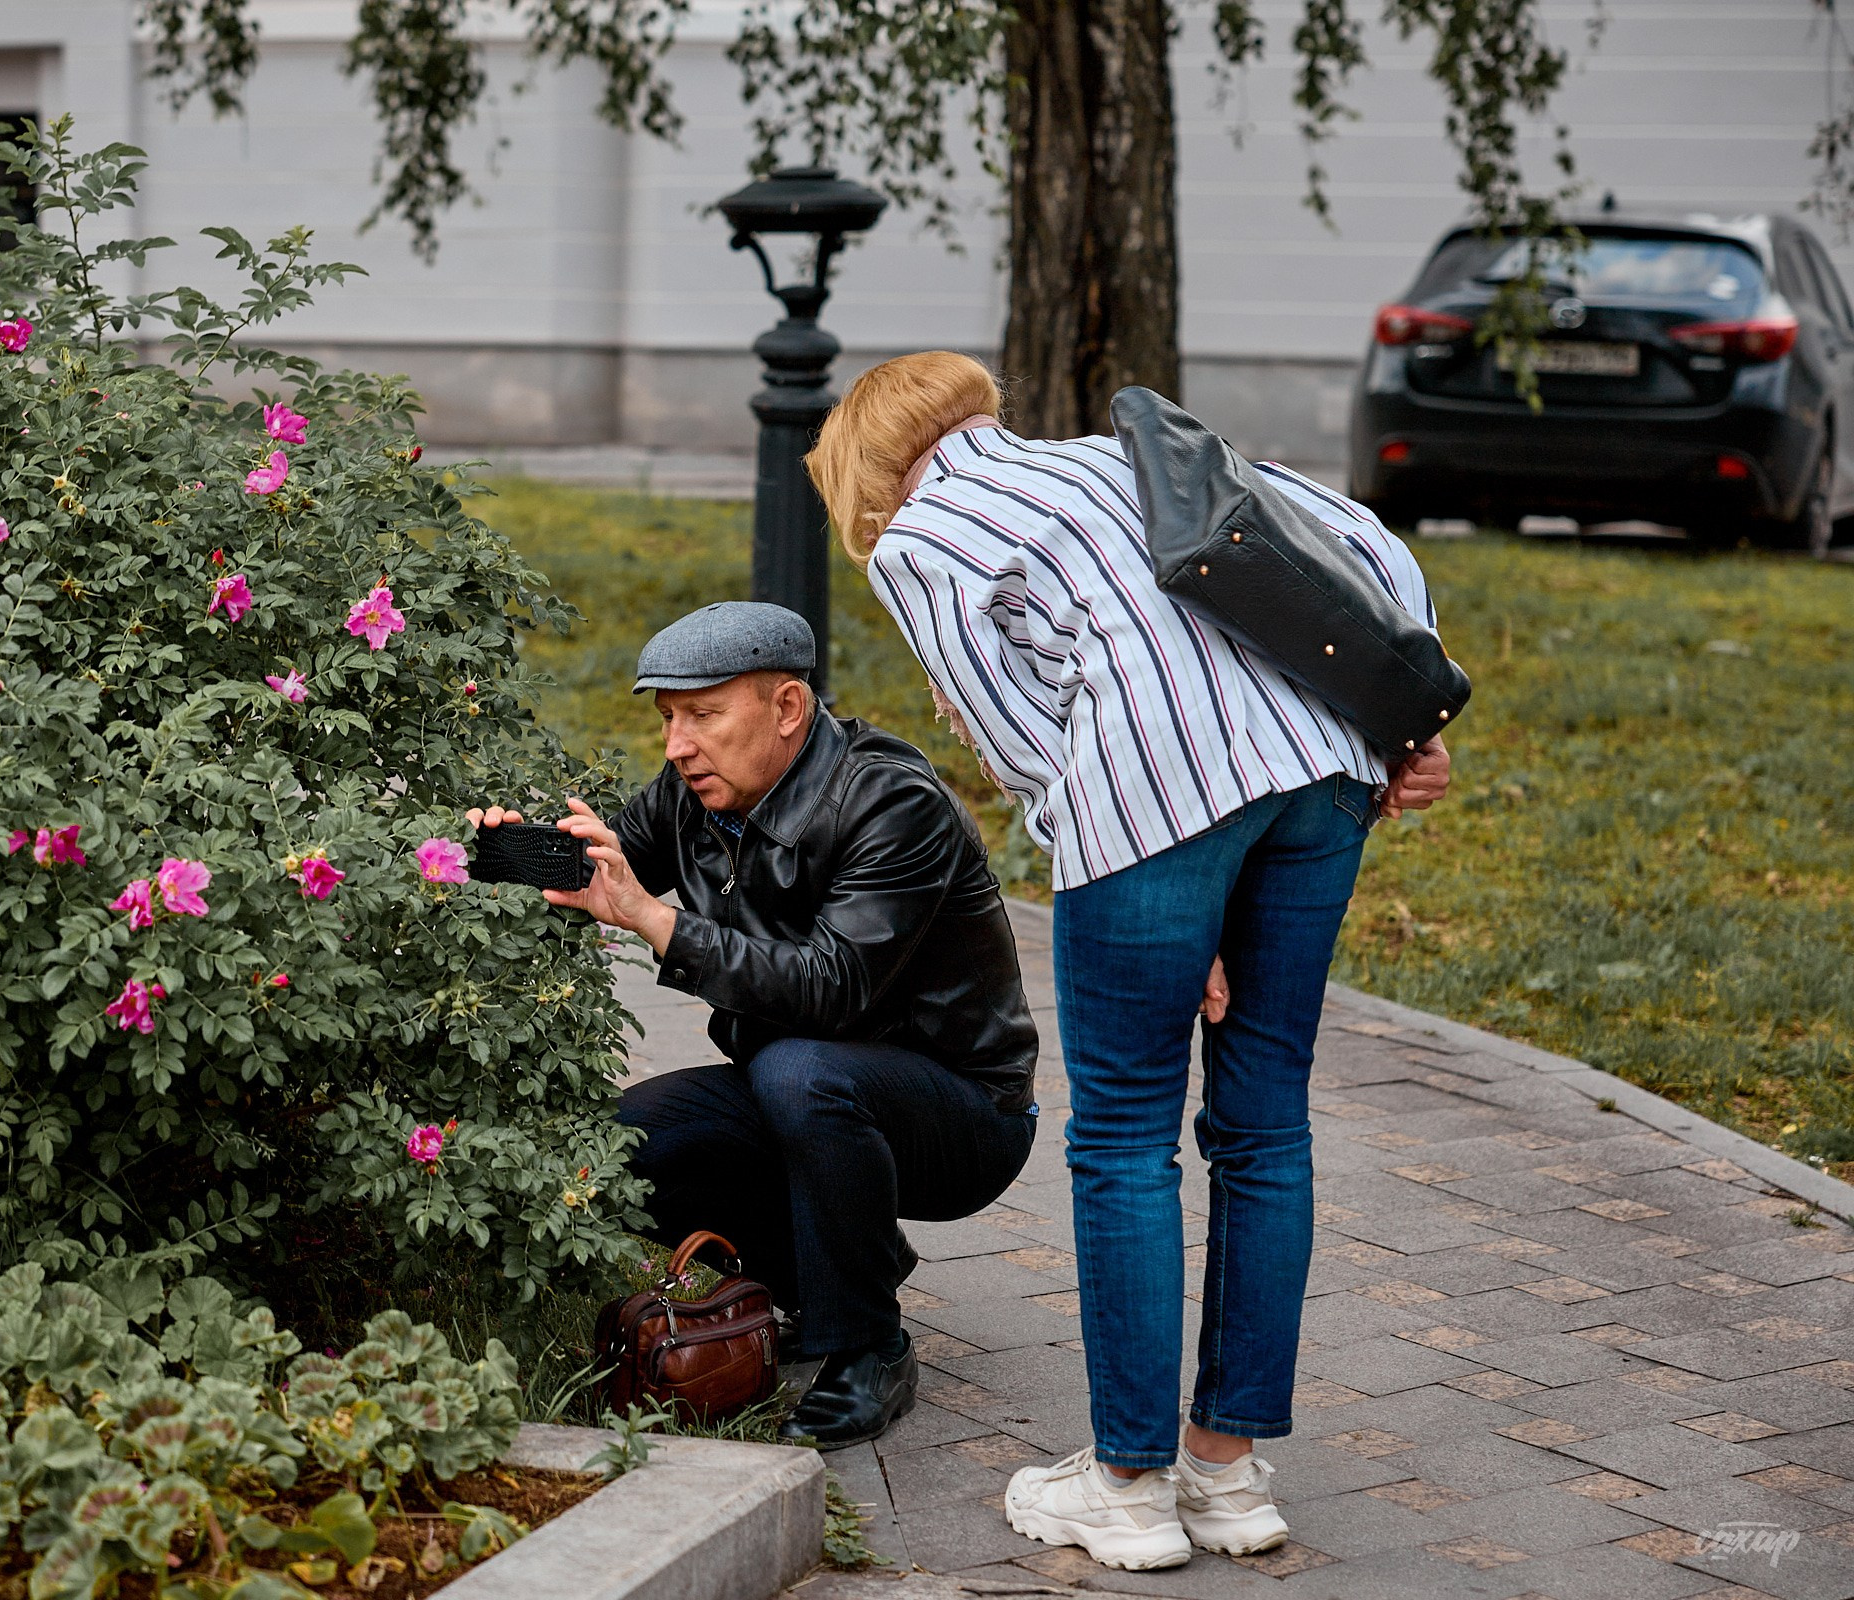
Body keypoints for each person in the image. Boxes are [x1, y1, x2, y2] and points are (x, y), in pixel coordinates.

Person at [807, 353, 1451, 1570]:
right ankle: (1230, 1475)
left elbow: (1022, 741)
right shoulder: (1125, 460)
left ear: (867, 472)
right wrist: (1412, 721)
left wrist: (1148, 890)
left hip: (1155, 807)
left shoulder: (922, 539)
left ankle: (1131, 1488)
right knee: (1264, 1129)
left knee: (1122, 1139)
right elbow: (1367, 541)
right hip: (1322, 781)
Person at [467, 600, 1040, 1448]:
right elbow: (606, 872)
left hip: (963, 1114)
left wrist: (656, 922)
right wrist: (503, 860)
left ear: (786, 709)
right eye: (667, 719)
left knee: (798, 1071)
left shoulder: (892, 802)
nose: (677, 745)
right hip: (802, 1091)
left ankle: (869, 1348)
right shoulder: (696, 794)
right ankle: (823, 1276)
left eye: (702, 714)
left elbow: (832, 986)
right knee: (622, 1147)